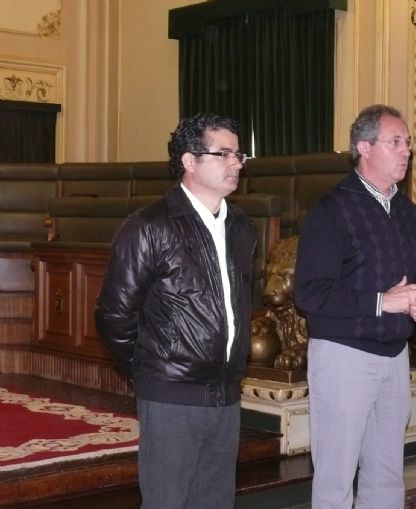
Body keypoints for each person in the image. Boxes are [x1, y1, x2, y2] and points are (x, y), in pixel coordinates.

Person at [95, 113, 256, 509]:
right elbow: (114, 315)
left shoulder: (242, 228)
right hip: (171, 396)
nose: (236, 163)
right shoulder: (149, 226)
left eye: (239, 154)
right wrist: (152, 370)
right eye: (224, 153)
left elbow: (244, 303)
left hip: (226, 394)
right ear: (189, 161)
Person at [294, 104, 416, 508]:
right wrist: (382, 302)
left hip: (395, 356)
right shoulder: (331, 209)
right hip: (344, 356)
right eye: (396, 142)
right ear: (364, 148)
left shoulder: (408, 213)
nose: (406, 150)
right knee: (337, 475)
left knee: (387, 475)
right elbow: (310, 293)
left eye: (408, 143)